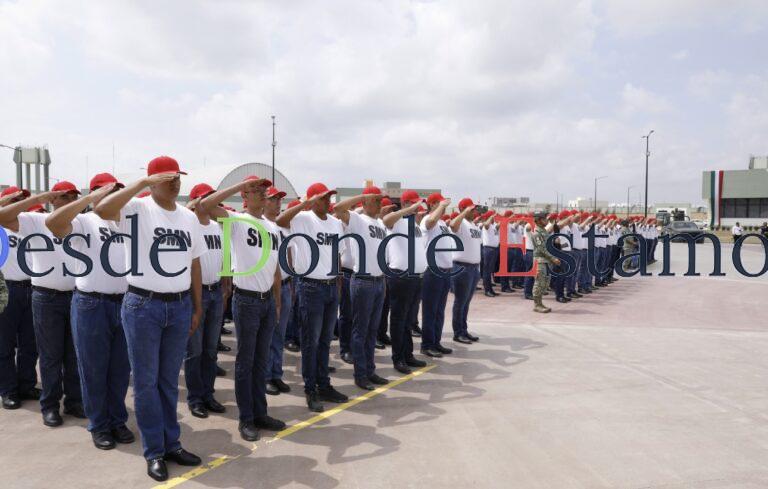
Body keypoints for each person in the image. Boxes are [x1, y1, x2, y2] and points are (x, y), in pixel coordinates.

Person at [95, 156, 204, 482]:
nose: (176, 182)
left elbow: (194, 263)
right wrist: (142, 183)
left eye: (178, 177)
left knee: (168, 382)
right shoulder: (137, 208)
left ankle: (172, 443)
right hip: (144, 305)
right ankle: (154, 451)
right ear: (153, 180)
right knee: (145, 383)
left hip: (179, 305)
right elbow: (102, 210)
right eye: (169, 177)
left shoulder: (188, 217)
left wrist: (197, 308)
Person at [45, 173, 135, 450]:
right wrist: (89, 199)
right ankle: (99, 424)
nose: (111, 194)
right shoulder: (84, 221)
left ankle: (117, 419)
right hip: (91, 303)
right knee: (94, 369)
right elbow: (54, 223)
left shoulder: (128, 222)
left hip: (125, 302)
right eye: (105, 190)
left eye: (116, 190)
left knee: (120, 369)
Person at [198, 177, 286, 440]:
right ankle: (246, 418)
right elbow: (205, 206)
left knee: (261, 362)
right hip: (246, 299)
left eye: (264, 191)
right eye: (256, 191)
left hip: (267, 300)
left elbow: (275, 268)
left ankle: (260, 412)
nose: (262, 194)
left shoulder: (271, 227)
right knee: (245, 362)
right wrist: (239, 187)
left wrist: (278, 301)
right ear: (246, 196)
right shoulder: (235, 220)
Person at [0, 182, 84, 427]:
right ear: (52, 199)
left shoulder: (79, 223)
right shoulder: (34, 222)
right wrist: (42, 196)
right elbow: (5, 216)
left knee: (66, 354)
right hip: (36, 294)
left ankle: (72, 400)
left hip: (71, 295)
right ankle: (42, 402)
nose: (68, 200)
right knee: (47, 355)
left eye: (72, 197)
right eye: (63, 196)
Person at [276, 183, 349, 413]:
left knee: (326, 340)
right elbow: (280, 221)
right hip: (310, 287)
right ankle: (311, 388)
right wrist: (304, 204)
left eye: (329, 198)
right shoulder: (303, 218)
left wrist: (338, 283)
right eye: (323, 198)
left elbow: (338, 253)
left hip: (330, 287)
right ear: (312, 200)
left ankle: (323, 383)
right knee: (311, 341)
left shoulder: (336, 223)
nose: (328, 201)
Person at [333, 187, 390, 390]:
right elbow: (338, 209)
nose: (379, 203)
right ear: (365, 203)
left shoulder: (380, 223)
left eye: (379, 200)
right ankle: (360, 374)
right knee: (361, 330)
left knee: (372, 331)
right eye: (375, 200)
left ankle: (370, 370)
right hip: (363, 281)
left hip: (378, 281)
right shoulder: (358, 220)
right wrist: (361, 197)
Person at [182, 183, 227, 420]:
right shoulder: (188, 225)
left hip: (215, 291)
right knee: (194, 351)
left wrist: (225, 286)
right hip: (195, 294)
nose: (213, 202)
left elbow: (223, 258)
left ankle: (208, 395)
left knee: (210, 350)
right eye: (208, 198)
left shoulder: (218, 228)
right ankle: (195, 398)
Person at [0, 187, 40, 411]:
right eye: (15, 199)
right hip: (6, 288)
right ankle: (8, 390)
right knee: (4, 344)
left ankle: (26, 384)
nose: (20, 202)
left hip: (32, 287)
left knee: (29, 343)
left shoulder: (28, 225)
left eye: (23, 199)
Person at [381, 190, 430, 373]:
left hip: (415, 278)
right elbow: (386, 220)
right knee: (398, 319)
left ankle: (408, 354)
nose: (418, 208)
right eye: (414, 204)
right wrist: (408, 209)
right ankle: (398, 358)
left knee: (408, 320)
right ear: (405, 204)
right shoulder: (397, 221)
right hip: (400, 277)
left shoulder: (414, 224)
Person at [263, 186, 294, 396]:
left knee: (279, 335)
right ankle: (265, 377)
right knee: (267, 336)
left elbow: (289, 253)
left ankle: (276, 373)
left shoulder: (283, 227)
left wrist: (290, 280)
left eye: (279, 199)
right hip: (266, 288)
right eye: (274, 199)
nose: (278, 203)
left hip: (284, 285)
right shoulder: (261, 225)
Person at [420, 193, 453, 358]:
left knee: (439, 311)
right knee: (430, 311)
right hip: (432, 271)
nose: (443, 206)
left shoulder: (442, 223)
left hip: (445, 271)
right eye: (439, 203)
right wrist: (441, 206)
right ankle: (427, 345)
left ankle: (436, 342)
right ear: (432, 204)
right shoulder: (427, 220)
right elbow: (430, 222)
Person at [450, 198, 482, 344]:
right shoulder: (460, 222)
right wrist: (464, 212)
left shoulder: (473, 225)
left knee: (466, 302)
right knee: (460, 301)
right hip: (462, 267)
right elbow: (452, 225)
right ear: (464, 209)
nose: (475, 211)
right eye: (472, 209)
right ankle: (458, 332)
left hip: (474, 268)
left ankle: (464, 329)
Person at [531, 211, 561, 313]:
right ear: (538, 220)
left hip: (546, 261)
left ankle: (540, 303)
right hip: (541, 261)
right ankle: (537, 304)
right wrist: (553, 258)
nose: (546, 220)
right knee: (539, 282)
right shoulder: (536, 233)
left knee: (545, 283)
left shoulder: (543, 231)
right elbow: (542, 249)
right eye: (544, 219)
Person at [480, 210, 500, 297]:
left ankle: (491, 289)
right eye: (493, 217)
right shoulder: (486, 224)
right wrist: (491, 216)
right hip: (488, 249)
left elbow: (500, 224)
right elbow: (486, 225)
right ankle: (487, 290)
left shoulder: (494, 225)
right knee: (487, 271)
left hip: (494, 249)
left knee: (490, 270)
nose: (494, 218)